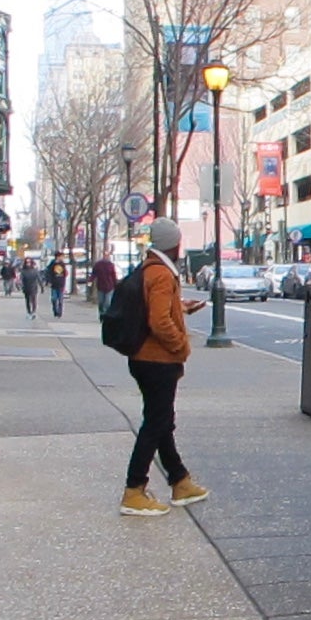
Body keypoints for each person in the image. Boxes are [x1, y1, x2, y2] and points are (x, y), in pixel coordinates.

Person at [120, 219, 211, 516]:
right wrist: (180, 345)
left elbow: (156, 310)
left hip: (146, 359)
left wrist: (180, 308)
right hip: (157, 360)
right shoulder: (161, 274)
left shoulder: (149, 269)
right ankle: (134, 490)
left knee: (161, 421)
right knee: (156, 423)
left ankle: (179, 480)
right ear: (173, 244)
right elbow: (159, 321)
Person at [91, 248, 119, 316]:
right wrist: (90, 280)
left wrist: (116, 285)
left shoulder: (111, 265)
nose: (106, 257)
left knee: (107, 302)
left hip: (110, 286)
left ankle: (106, 315)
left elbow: (113, 275)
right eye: (105, 255)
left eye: (107, 255)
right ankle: (101, 313)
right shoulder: (98, 264)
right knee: (101, 302)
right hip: (101, 286)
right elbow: (94, 273)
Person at [46, 251, 69, 318]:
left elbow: (65, 273)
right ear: (57, 257)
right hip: (54, 284)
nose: (62, 258)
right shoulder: (52, 263)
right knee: (54, 299)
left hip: (61, 284)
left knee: (60, 300)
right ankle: (55, 311)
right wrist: (49, 281)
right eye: (61, 256)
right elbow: (48, 272)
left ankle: (60, 313)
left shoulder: (63, 264)